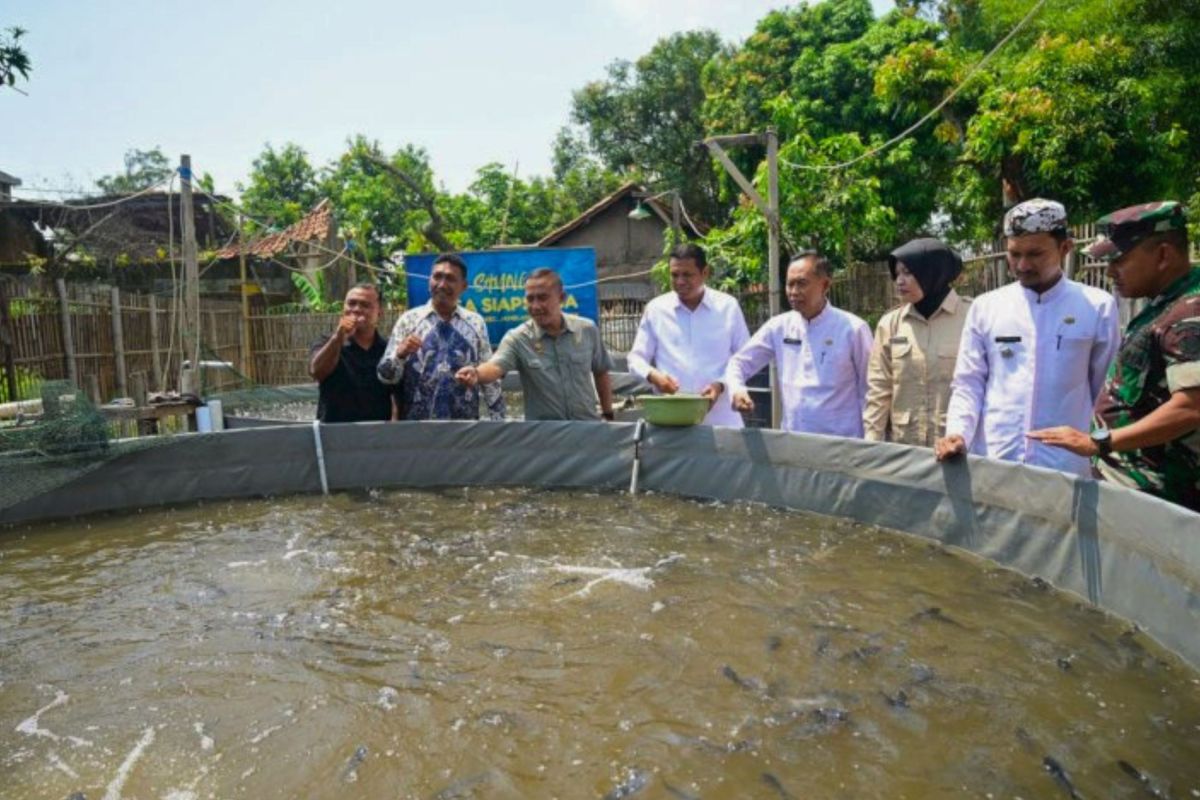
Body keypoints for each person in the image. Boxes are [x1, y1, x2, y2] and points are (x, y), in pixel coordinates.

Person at [1028, 201, 1200, 511]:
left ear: (1163, 255)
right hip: (1137, 490)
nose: (1109, 272)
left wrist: (1100, 441)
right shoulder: (1167, 303)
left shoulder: (1190, 314)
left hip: (1161, 499)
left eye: (1118, 260)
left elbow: (1191, 407)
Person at [934, 199, 1120, 476]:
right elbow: (969, 383)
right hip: (997, 459)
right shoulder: (987, 307)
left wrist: (1098, 451)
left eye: (1035, 254)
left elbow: (1104, 391)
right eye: (1014, 254)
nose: (1022, 265)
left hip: (1066, 466)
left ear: (1065, 248)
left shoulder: (1097, 306)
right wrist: (957, 433)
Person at [725, 252, 873, 436]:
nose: (794, 292)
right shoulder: (779, 326)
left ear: (825, 285)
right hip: (793, 442)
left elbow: (871, 389)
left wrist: (871, 440)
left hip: (843, 443)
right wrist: (737, 390)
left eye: (801, 283)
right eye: (790, 284)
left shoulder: (853, 329)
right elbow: (738, 363)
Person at [455, 268, 615, 421]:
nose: (536, 306)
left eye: (543, 298)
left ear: (561, 298)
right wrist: (476, 373)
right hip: (545, 435)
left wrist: (608, 414)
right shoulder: (518, 338)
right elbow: (495, 366)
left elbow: (601, 372)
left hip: (588, 430)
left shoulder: (587, 330)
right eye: (530, 299)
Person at [626, 243, 750, 427]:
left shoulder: (727, 307)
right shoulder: (656, 310)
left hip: (721, 421)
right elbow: (635, 359)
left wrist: (720, 385)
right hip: (672, 424)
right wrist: (653, 375)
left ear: (705, 273)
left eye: (687, 275)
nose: (680, 281)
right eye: (674, 275)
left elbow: (745, 358)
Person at [864, 238, 970, 447]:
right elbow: (879, 389)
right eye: (897, 274)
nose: (899, 281)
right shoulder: (891, 324)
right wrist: (871, 443)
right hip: (905, 448)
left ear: (933, 272)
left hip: (956, 446)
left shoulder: (971, 317)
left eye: (908, 272)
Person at [377, 253, 505, 421]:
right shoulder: (409, 320)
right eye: (437, 277)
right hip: (417, 428)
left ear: (464, 286)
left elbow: (490, 380)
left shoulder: (476, 323)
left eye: (450, 279)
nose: (442, 284)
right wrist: (399, 355)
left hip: (464, 428)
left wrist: (499, 422)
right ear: (429, 280)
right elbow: (385, 377)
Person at [308, 283, 395, 423]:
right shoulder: (327, 342)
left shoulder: (389, 350)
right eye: (351, 303)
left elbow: (397, 395)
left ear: (379, 312)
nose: (356, 309)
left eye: (365, 305)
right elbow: (316, 372)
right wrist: (338, 338)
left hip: (377, 432)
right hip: (334, 432)